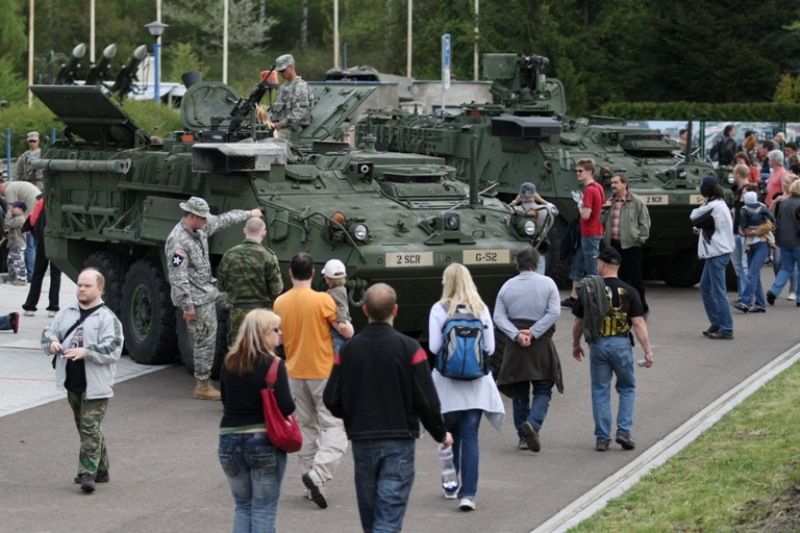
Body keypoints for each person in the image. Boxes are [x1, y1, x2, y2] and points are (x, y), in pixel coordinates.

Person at [323, 283, 453, 530]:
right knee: (388, 518)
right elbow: (426, 400)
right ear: (395, 310)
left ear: (364, 311)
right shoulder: (410, 349)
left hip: (362, 439)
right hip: (398, 439)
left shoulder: (349, 350)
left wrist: (353, 414)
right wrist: (440, 433)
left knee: (372, 519)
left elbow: (331, 397)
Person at [273, 252, 354, 509]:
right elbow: (345, 329)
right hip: (322, 370)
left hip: (294, 371)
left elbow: (280, 337)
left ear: (290, 273)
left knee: (306, 427)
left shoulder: (280, 302)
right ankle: (319, 474)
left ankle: (310, 483)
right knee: (336, 426)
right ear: (312, 273)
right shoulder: (323, 301)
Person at [165, 196, 262, 400]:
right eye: (202, 218)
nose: (206, 221)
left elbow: (224, 219)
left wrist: (250, 214)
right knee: (205, 339)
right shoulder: (177, 241)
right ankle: (202, 385)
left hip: (208, 288)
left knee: (237, 302)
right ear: (191, 216)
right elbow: (177, 276)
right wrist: (187, 306)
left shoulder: (199, 229)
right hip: (196, 298)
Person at [427, 263, 504, 510]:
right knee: (470, 436)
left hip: (447, 384)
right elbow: (490, 349)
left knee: (448, 435)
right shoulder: (480, 309)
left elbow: (434, 348)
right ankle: (468, 494)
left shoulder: (439, 309)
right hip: (476, 384)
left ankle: (450, 483)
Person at [41, 267, 124, 494]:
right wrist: (51, 344)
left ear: (99, 289)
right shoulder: (66, 312)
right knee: (87, 427)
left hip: (97, 385)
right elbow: (48, 332)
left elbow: (114, 348)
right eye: (79, 284)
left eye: (87, 285)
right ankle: (103, 469)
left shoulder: (108, 318)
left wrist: (86, 352)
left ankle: (87, 473)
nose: (81, 289)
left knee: (89, 426)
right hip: (73, 382)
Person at [218, 309, 295, 533]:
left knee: (243, 506)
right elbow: (286, 406)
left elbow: (225, 399)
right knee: (263, 508)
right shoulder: (274, 364)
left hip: (229, 440)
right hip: (263, 440)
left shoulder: (229, 362)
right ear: (263, 333)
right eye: (275, 330)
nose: (280, 334)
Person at [571, 247, 653, 451]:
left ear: (601, 264)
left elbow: (578, 322)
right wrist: (647, 350)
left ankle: (602, 437)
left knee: (600, 390)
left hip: (598, 344)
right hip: (621, 344)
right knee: (627, 388)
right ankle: (623, 430)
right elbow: (639, 323)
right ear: (618, 266)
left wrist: (576, 344)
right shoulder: (629, 291)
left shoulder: (590, 290)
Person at [493, 248, 562, 452]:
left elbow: (498, 317)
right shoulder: (548, 283)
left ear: (517, 265)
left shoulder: (507, 286)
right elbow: (554, 312)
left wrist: (516, 334)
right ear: (536, 263)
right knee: (543, 388)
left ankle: (523, 437)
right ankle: (533, 423)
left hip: (516, 348)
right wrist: (533, 332)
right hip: (540, 344)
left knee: (520, 391)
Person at [217, 217, 284, 346]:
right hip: (262, 315)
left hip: (237, 314)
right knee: (261, 352)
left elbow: (221, 286)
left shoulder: (229, 255)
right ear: (264, 233)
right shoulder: (268, 256)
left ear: (244, 231)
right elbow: (277, 289)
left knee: (238, 355)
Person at [690, 176, 735, 340]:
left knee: (718, 291)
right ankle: (717, 322)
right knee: (706, 288)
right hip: (717, 252)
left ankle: (726, 327)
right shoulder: (719, 204)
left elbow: (694, 217)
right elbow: (709, 224)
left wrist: (703, 207)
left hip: (717, 252)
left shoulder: (713, 206)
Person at [601, 174, 651, 314]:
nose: (613, 186)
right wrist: (605, 208)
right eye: (612, 183)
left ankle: (641, 305)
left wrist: (640, 239)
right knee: (618, 278)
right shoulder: (611, 201)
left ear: (624, 184)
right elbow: (602, 221)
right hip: (614, 245)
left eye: (616, 183)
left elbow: (644, 222)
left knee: (635, 278)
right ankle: (621, 305)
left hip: (631, 245)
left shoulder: (636, 202)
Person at [562, 159, 605, 307]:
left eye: (580, 171)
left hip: (589, 232)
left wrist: (579, 204)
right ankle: (574, 297)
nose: (577, 174)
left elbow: (586, 215)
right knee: (578, 264)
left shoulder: (589, 190)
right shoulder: (598, 187)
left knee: (591, 267)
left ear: (589, 171)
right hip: (594, 231)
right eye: (577, 171)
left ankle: (595, 300)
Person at [734, 191, 775, 313]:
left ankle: (745, 302)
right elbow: (772, 219)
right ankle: (760, 304)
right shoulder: (763, 207)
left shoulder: (744, 209)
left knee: (752, 274)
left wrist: (748, 230)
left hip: (753, 243)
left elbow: (742, 226)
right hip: (760, 242)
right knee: (754, 274)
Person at [22, 197, 61, 317]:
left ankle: (30, 306)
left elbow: (33, 221)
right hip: (59, 242)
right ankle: (53, 308)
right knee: (56, 275)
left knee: (38, 274)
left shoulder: (42, 201)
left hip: (43, 241)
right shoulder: (63, 200)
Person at [509, 181, 558, 274]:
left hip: (522, 251)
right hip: (539, 249)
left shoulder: (515, 210)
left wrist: (514, 202)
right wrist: (540, 199)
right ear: (534, 194)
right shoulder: (545, 210)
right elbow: (555, 209)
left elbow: (505, 210)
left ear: (520, 194)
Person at [767, 179, 800, 306]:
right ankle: (799, 297)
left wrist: (777, 239)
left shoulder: (784, 203)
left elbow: (778, 222)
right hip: (798, 241)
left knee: (786, 268)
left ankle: (773, 291)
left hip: (784, 241)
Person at [0, 177, 40, 281]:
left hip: (30, 213)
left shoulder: (9, 190)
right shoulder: (14, 185)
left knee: (27, 246)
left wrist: (7, 226)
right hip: (38, 208)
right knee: (32, 245)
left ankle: (30, 276)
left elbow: (11, 211)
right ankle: (32, 274)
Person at [269, 54, 315, 139]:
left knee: (269, 140)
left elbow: (300, 111)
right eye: (279, 71)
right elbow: (275, 109)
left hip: (292, 129)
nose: (281, 73)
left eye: (283, 70)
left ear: (291, 67)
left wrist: (281, 124)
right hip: (279, 127)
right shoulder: (283, 87)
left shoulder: (300, 86)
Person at [320, 258, 352, 354]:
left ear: (328, 280)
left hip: (337, 330)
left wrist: (342, 321)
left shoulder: (337, 292)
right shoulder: (340, 290)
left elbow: (342, 306)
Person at [5, 201, 28, 285]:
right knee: (11, 261)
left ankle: (22, 279)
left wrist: (8, 214)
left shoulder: (20, 219)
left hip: (19, 244)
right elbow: (12, 233)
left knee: (18, 262)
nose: (12, 209)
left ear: (21, 210)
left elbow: (8, 224)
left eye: (14, 207)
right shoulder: (16, 218)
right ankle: (14, 277)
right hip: (14, 244)